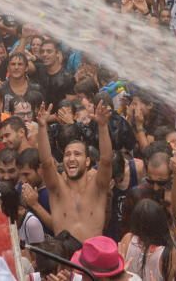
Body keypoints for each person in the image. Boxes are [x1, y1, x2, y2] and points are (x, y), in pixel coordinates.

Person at [36, 101, 114, 246]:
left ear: (87, 161)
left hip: (92, 262)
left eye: (77, 154)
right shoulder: (57, 189)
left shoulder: (98, 186)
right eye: (67, 154)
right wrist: (41, 127)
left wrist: (103, 127)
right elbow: (46, 162)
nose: (71, 158)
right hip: (65, 262)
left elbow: (106, 161)